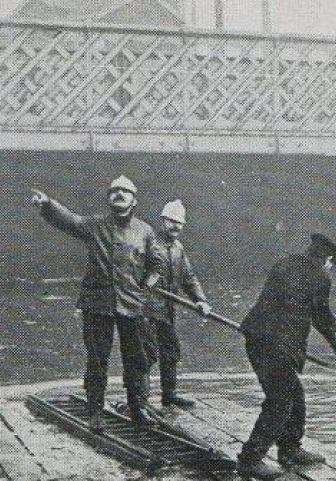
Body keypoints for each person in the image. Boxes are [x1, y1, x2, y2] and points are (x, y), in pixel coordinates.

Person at [32, 176, 168, 431]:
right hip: (98, 303)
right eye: (114, 191)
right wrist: (47, 204)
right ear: (108, 199)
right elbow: (69, 220)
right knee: (97, 359)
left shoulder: (145, 231)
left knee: (136, 360)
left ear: (134, 200)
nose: (119, 194)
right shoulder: (95, 225)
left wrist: (147, 285)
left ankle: (138, 409)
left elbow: (157, 264)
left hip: (132, 303)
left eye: (125, 192)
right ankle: (95, 411)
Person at [237, 233, 336, 474]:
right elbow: (321, 315)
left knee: (295, 393)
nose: (330, 268)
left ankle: (290, 448)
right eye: (332, 263)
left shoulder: (283, 264)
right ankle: (250, 459)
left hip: (256, 337)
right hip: (278, 346)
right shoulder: (320, 277)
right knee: (280, 400)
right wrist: (334, 332)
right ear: (326, 258)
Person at [146, 198, 212, 409]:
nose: (176, 226)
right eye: (171, 221)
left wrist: (200, 300)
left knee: (171, 350)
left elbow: (189, 278)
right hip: (145, 308)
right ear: (163, 221)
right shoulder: (149, 243)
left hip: (166, 310)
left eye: (179, 223)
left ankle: (169, 394)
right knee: (146, 353)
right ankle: (139, 400)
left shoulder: (178, 249)